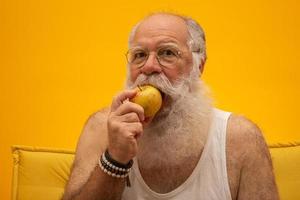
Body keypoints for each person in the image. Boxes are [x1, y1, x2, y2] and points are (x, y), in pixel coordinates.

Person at [62, 12, 279, 200]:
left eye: (167, 53)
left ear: (198, 66)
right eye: (139, 55)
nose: (149, 67)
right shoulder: (102, 128)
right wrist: (115, 157)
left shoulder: (240, 138)